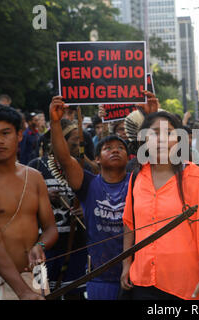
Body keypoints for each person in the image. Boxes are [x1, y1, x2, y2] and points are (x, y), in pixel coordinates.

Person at [121, 111, 199, 300]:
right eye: (155, 133)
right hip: (141, 280)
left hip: (183, 285)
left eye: (169, 133)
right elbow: (129, 223)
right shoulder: (137, 177)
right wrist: (127, 264)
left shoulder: (195, 178)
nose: (161, 140)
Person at [0, 104, 58, 300]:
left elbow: (50, 228)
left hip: (36, 276)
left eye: (5, 133)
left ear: (19, 135)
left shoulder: (34, 177)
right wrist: (23, 292)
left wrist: (40, 245)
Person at [49, 96, 129, 300]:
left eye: (120, 148)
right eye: (107, 148)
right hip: (99, 277)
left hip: (133, 275)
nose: (115, 151)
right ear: (97, 158)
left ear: (129, 158)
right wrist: (55, 123)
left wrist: (148, 114)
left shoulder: (138, 182)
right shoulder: (88, 184)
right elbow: (65, 159)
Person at [28, 119, 88, 299]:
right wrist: (43, 196)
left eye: (80, 139)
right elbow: (22, 202)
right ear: (58, 141)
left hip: (75, 245)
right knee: (42, 292)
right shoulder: (35, 166)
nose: (79, 143)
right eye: (74, 139)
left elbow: (94, 199)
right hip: (43, 247)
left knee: (74, 292)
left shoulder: (81, 167)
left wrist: (85, 209)